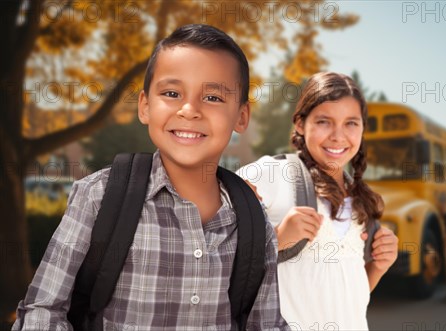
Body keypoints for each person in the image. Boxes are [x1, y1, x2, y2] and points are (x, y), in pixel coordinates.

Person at [13, 24, 288, 330]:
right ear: (145, 106)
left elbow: (267, 324)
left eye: (212, 97)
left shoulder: (253, 219)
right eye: (172, 93)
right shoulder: (99, 196)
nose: (189, 109)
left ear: (241, 117)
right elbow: (43, 309)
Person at [237, 72, 398, 330]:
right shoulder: (273, 174)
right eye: (324, 121)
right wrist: (276, 240)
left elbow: (349, 299)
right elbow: (213, 253)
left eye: (351, 123)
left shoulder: (359, 200)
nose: (338, 135)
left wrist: (378, 267)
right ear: (300, 124)